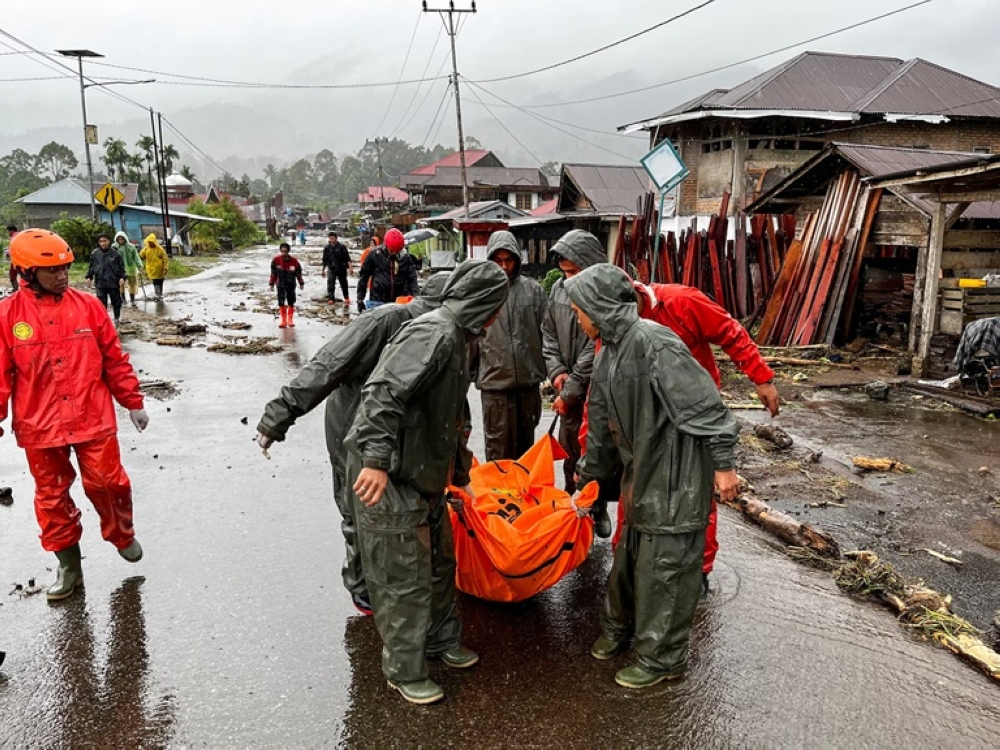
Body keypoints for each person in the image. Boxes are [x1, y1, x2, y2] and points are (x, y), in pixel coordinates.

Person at [566, 264, 740, 689]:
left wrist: (724, 465)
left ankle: (663, 659)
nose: (576, 319)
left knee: (666, 571)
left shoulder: (655, 342)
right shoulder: (609, 351)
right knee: (629, 560)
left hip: (676, 474)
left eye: (578, 311)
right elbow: (602, 428)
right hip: (640, 472)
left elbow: (708, 408)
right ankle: (619, 629)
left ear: (598, 308)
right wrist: (588, 480)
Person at [346, 259, 509, 705]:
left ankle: (440, 643)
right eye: (498, 304)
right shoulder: (433, 333)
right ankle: (403, 668)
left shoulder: (460, 339)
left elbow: (452, 418)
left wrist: (459, 476)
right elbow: (382, 392)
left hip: (426, 474)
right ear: (485, 303)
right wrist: (376, 460)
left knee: (440, 565)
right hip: (392, 474)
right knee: (405, 576)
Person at [255, 273, 452, 616]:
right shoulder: (384, 321)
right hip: (352, 426)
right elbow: (326, 367)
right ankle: (361, 586)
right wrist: (279, 414)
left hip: (399, 431)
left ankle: (398, 578)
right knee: (356, 505)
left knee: (398, 507)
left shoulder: (450, 334)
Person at [0, 229, 149, 602]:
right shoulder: (6, 316)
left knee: (109, 484)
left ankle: (121, 534)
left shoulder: (88, 307)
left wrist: (132, 401)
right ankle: (69, 566)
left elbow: (114, 358)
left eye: (65, 268)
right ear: (25, 272)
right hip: (39, 424)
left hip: (92, 416)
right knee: (51, 497)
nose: (62, 276)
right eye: (52, 271)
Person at [541, 229, 605, 498]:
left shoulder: (603, 295)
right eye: (565, 272)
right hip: (566, 384)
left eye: (574, 272)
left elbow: (596, 345)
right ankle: (570, 505)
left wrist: (572, 386)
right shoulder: (557, 291)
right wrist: (556, 371)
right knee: (570, 450)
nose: (569, 280)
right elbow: (548, 333)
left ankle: (597, 505)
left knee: (597, 453)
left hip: (596, 387)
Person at [473, 231, 548, 461]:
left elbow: (547, 334)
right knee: (498, 456)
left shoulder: (534, 291)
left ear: (517, 259)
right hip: (495, 387)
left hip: (528, 386)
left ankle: (524, 498)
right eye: (498, 261)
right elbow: (470, 338)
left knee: (526, 454)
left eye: (509, 260)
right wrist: (474, 373)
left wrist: (547, 371)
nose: (504, 266)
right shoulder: (480, 294)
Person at [356, 228, 418, 312]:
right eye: (392, 250)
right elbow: (364, 276)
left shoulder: (405, 258)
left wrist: (416, 298)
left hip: (399, 302)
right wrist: (360, 298)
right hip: (377, 301)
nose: (394, 253)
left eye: (397, 251)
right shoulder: (375, 255)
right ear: (386, 245)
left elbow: (412, 279)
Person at [86, 233, 126, 326]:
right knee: (101, 302)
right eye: (100, 241)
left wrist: (122, 277)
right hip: (100, 282)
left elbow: (121, 267)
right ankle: (104, 320)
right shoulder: (95, 253)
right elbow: (92, 266)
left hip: (113, 282)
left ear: (109, 241)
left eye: (105, 241)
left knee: (116, 301)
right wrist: (89, 277)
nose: (103, 243)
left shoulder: (115, 253)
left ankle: (116, 318)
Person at [269, 242, 305, 328]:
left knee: (291, 301)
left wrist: (301, 282)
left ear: (288, 251)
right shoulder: (276, 260)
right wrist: (271, 283)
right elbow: (273, 273)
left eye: (285, 251)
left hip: (291, 284)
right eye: (282, 251)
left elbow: (298, 273)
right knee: (281, 301)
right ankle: (283, 320)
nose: (284, 253)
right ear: (280, 251)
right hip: (280, 284)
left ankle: (290, 319)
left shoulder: (294, 261)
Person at [321, 231, 352, 305]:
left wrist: (350, 268)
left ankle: (346, 297)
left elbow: (347, 258)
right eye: (330, 238)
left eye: (333, 238)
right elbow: (324, 259)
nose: (332, 240)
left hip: (341, 267)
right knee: (331, 283)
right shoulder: (327, 248)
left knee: (343, 283)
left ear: (336, 238)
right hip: (331, 268)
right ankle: (331, 298)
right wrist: (323, 270)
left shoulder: (342, 247)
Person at [115, 231, 143, 306]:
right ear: (116, 240)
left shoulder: (131, 247)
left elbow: (136, 257)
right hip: (120, 269)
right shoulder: (114, 247)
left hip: (131, 268)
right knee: (121, 284)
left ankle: (132, 299)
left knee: (132, 284)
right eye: (119, 239)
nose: (121, 241)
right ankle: (123, 299)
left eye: (122, 239)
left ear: (125, 239)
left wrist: (139, 266)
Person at [139, 234, 168, 300]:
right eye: (149, 242)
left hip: (160, 270)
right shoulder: (146, 249)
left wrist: (165, 268)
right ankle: (157, 294)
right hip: (151, 269)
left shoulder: (160, 249)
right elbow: (141, 256)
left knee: (160, 281)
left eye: (151, 242)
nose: (150, 243)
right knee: (155, 281)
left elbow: (165, 258)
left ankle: (160, 294)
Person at [5, 225, 18, 291]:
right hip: (21, 260)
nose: (8, 233)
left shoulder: (15, 237)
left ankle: (15, 289)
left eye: (8, 231)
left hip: (16, 260)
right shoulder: (18, 236)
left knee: (12, 274)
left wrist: (8, 253)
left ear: (12, 230)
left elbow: (13, 248)